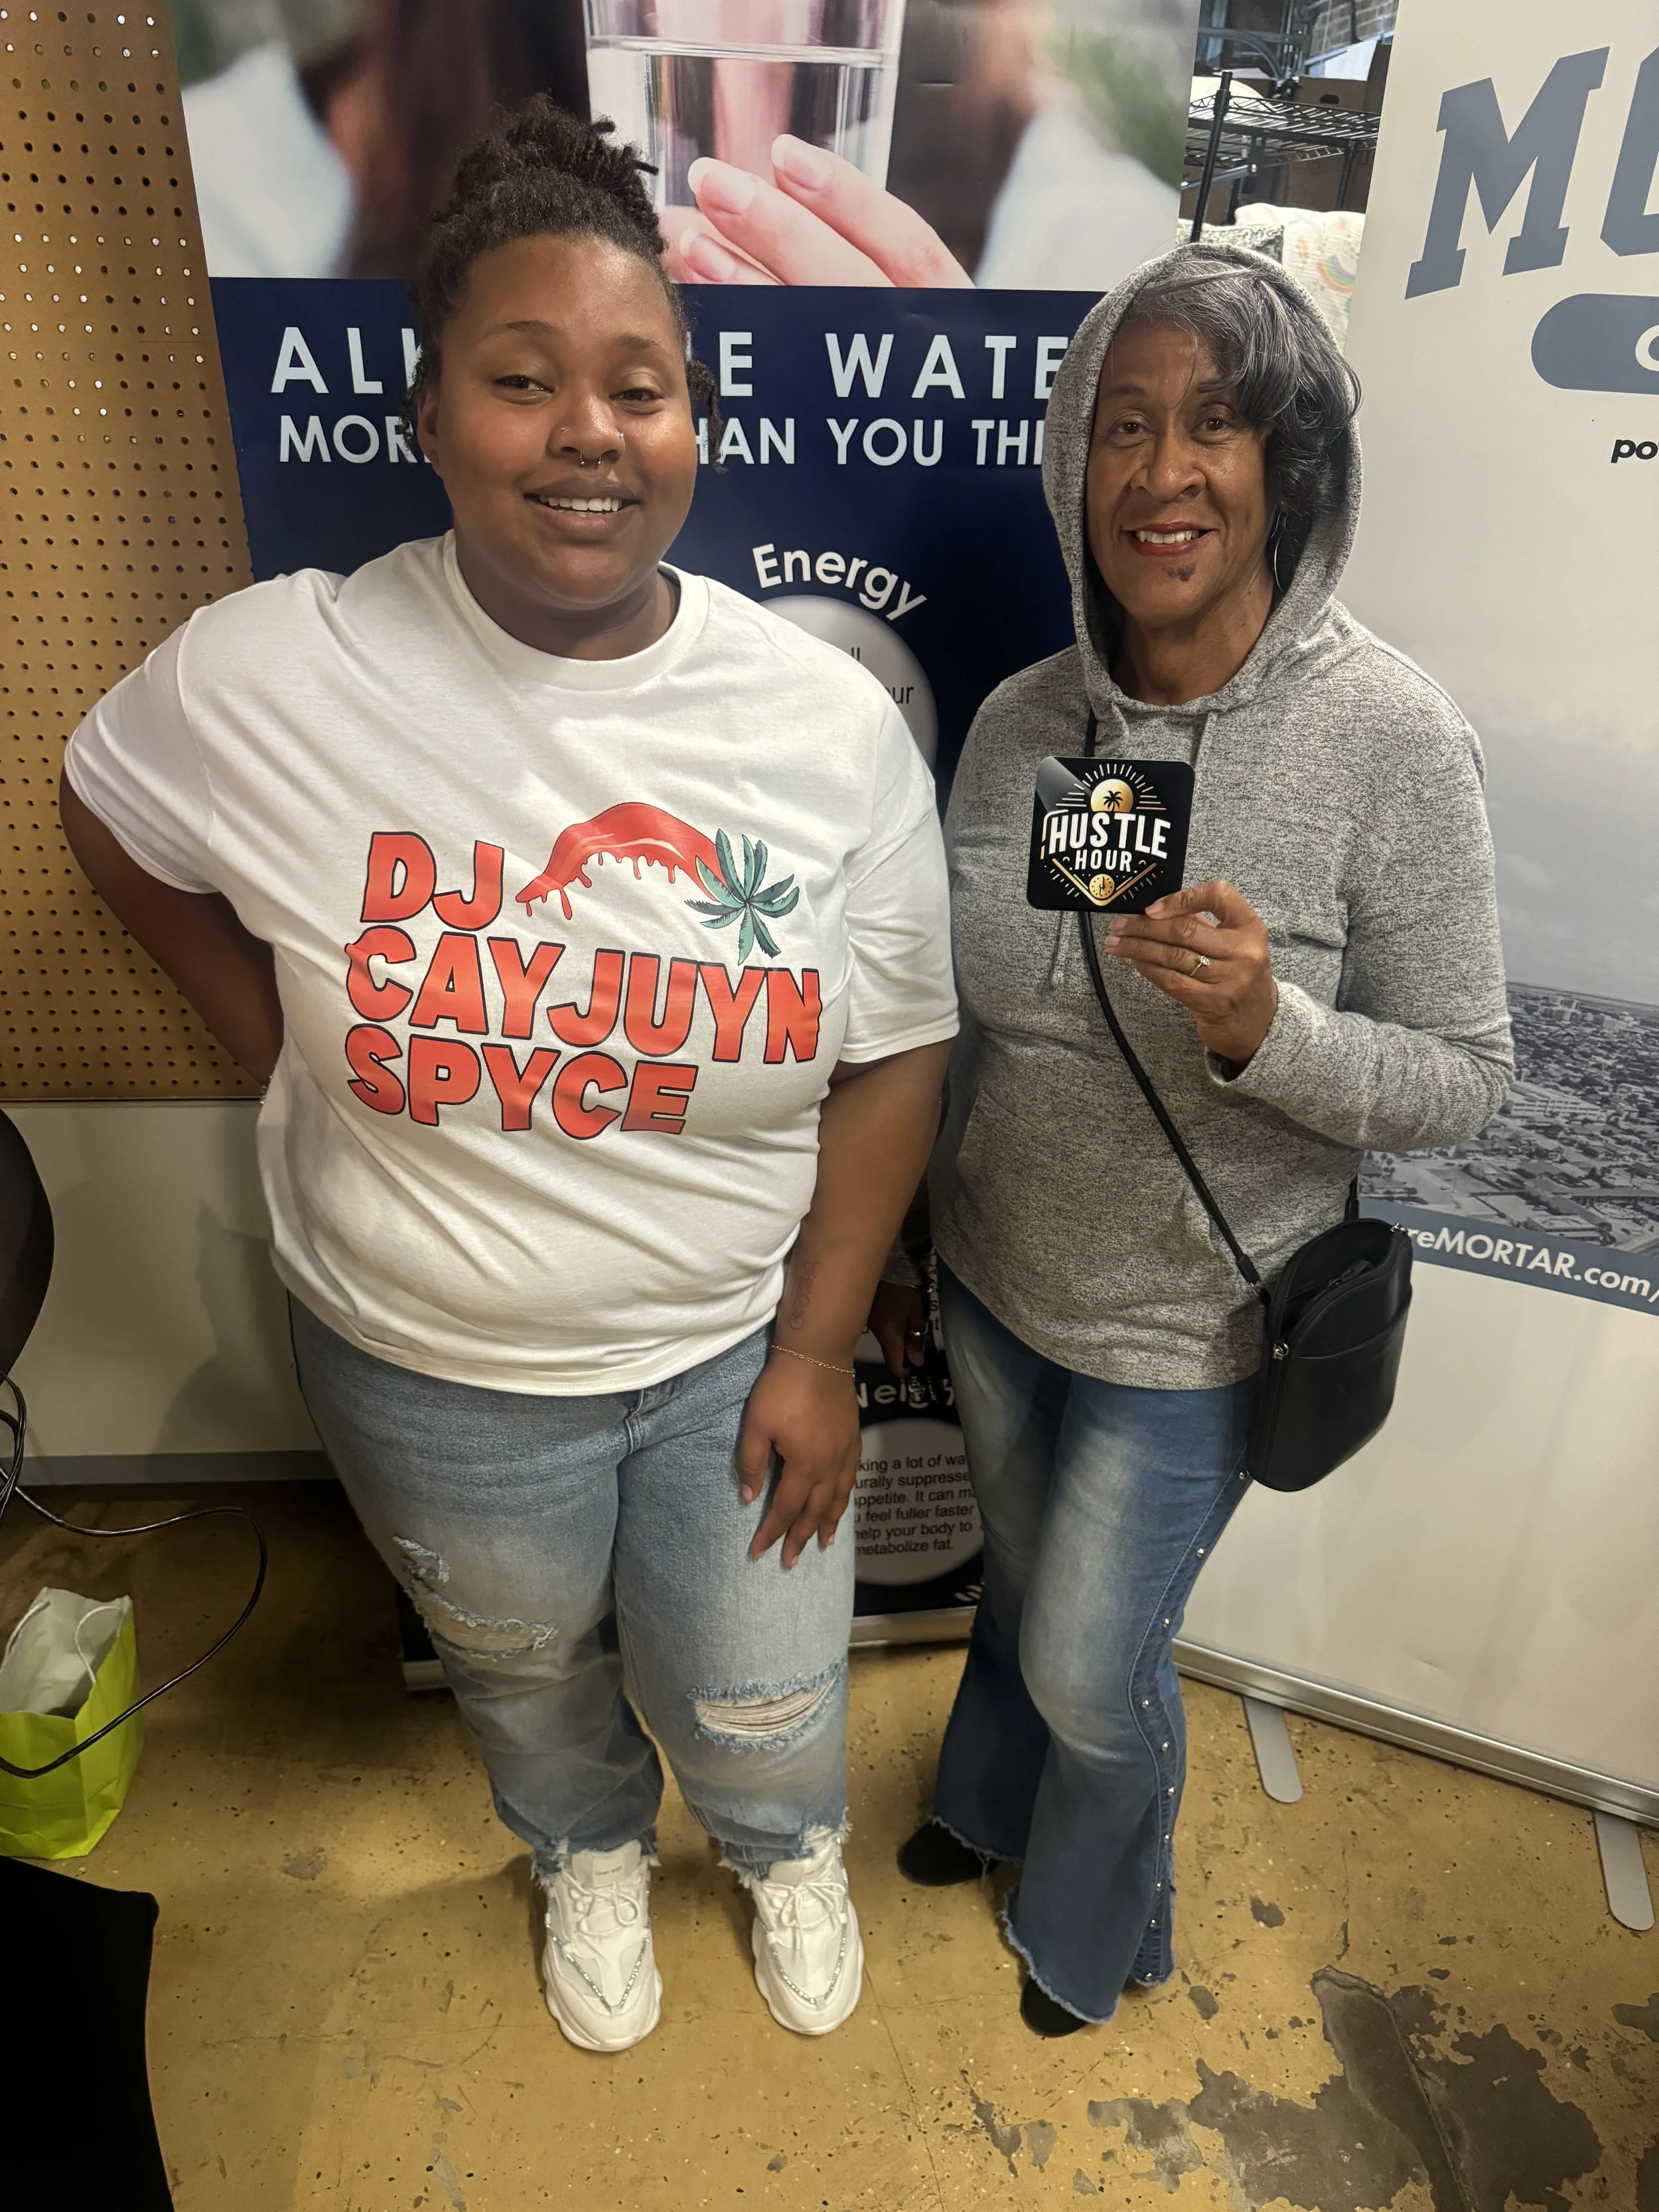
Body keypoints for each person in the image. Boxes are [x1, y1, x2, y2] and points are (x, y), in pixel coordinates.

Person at [61, 102, 957, 2053]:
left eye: (636, 386)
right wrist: (263, 1035)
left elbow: (892, 1053)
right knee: (520, 1663)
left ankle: (778, 1840)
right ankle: (584, 1849)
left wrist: (815, 1349)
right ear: (428, 409)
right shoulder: (277, 673)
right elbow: (105, 805)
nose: (586, 430)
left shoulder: (812, 723)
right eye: (522, 378)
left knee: (761, 1677)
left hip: (728, 1346)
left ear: (692, 422)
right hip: (420, 1363)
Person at [871, 244, 1513, 2035]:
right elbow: (972, 1018)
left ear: (1284, 463)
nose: (1164, 472)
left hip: (1191, 1332)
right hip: (999, 1276)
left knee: (1092, 1651)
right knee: (1018, 1595)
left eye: (1213, 425)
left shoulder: (1392, 742)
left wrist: (1262, 1031)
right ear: (1074, 457)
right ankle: (981, 1797)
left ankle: (1091, 1916)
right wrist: (916, 1243)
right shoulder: (1018, 725)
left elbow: (1466, 1073)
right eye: (1124, 425)